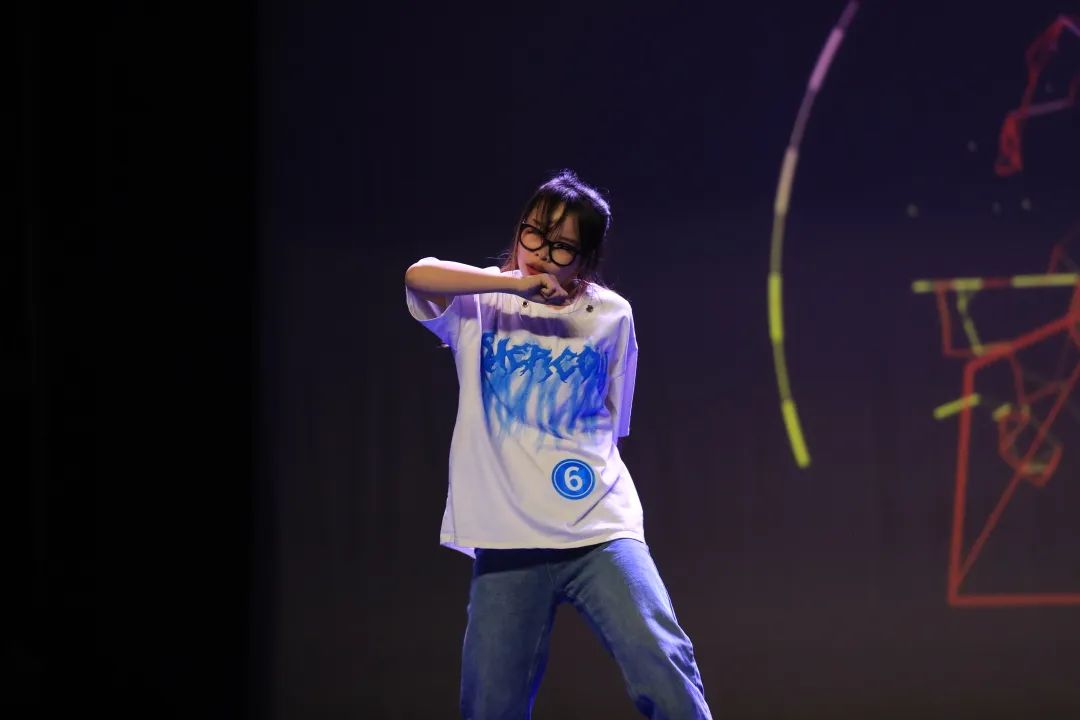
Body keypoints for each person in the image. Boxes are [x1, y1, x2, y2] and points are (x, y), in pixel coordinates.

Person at [404, 170, 712, 719]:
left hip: (599, 530)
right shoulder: (482, 301)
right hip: (507, 540)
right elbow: (418, 275)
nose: (541, 254)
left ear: (586, 257)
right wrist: (509, 286)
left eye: (562, 246)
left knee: (662, 661)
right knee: (490, 703)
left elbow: (610, 424)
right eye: (534, 234)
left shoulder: (612, 315)